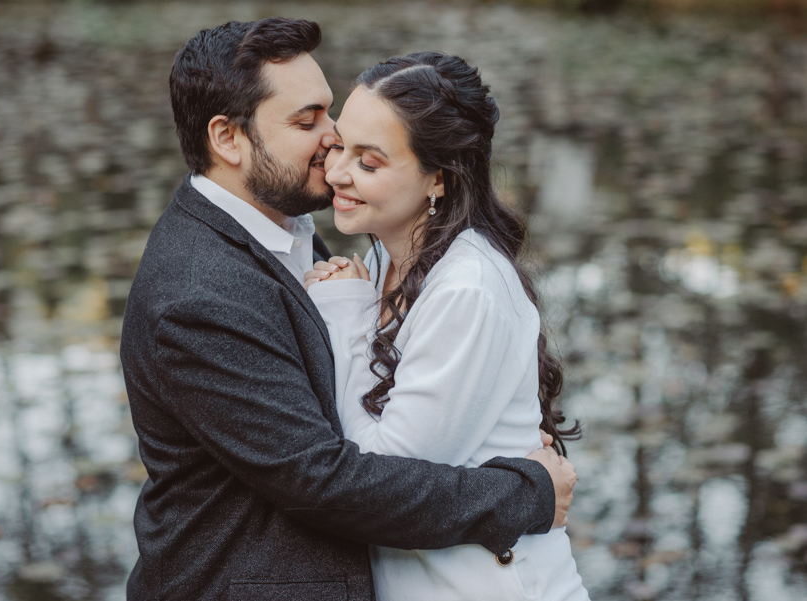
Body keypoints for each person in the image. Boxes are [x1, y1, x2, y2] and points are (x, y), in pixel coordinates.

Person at [120, 18, 577, 601]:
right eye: (307, 122)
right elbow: (323, 479)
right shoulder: (196, 294)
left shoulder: (291, 226)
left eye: (329, 114)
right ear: (227, 138)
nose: (333, 141)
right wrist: (526, 492)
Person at [305, 52, 589, 600]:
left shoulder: (466, 289)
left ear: (438, 176)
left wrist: (342, 315)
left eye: (369, 162)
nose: (336, 173)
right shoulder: (390, 260)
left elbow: (385, 479)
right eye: (339, 146)